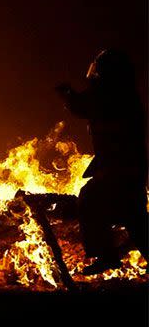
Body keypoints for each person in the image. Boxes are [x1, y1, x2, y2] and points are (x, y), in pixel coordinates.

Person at [55, 49, 148, 275]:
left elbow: (81, 106)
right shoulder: (127, 96)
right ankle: (109, 256)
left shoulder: (109, 94)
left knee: (89, 199)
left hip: (118, 167)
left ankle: (106, 256)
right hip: (132, 167)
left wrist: (67, 93)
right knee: (134, 217)